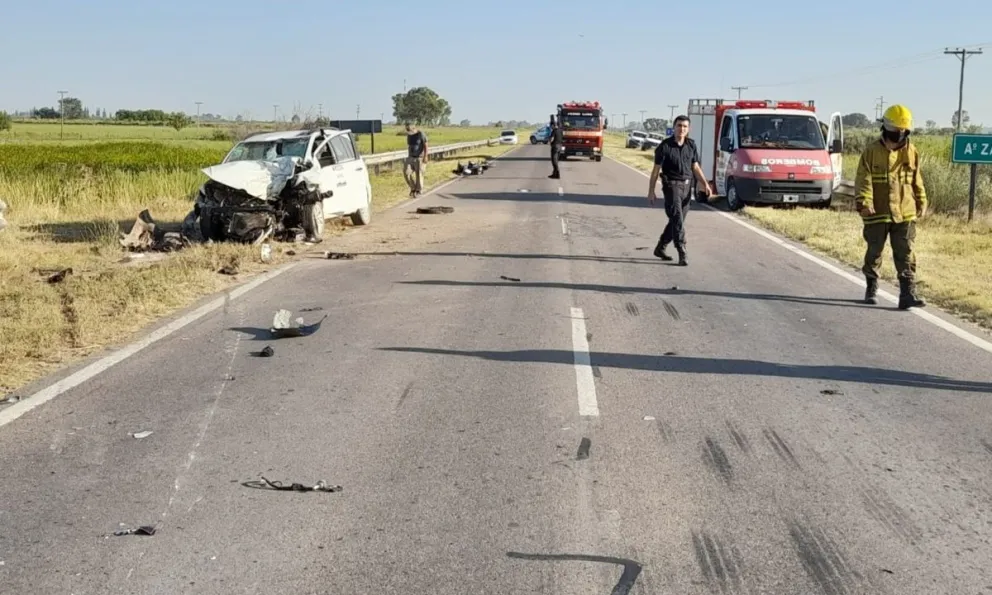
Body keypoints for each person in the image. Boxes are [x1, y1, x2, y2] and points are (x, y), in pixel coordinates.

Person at [854, 104, 927, 310]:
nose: (900, 134)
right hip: (878, 211)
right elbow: (864, 179)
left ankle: (907, 294)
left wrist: (922, 200)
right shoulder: (871, 152)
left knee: (906, 252)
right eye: (896, 130)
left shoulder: (911, 151)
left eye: (904, 131)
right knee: (874, 251)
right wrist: (865, 202)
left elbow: (916, 179)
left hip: (905, 212)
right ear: (886, 128)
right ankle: (871, 286)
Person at [647, 115, 713, 266]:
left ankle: (661, 247)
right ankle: (682, 250)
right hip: (672, 186)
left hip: (687, 187)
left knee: (678, 220)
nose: (681, 129)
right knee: (677, 218)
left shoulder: (691, 145)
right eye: (679, 126)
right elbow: (656, 170)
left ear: (688, 129)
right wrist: (651, 190)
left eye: (684, 126)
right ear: (674, 127)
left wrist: (705, 184)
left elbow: (695, 166)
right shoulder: (665, 146)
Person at [404, 123, 429, 197]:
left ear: (414, 128)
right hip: (410, 157)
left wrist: (425, 156)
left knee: (419, 174)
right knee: (406, 172)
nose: (408, 132)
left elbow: (426, 145)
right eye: (407, 130)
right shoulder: (409, 135)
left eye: (409, 130)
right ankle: (413, 188)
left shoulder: (421, 134)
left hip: (419, 157)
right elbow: (409, 146)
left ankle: (418, 190)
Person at [548, 115, 562, 179]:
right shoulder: (560, 130)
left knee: (554, 161)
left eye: (551, 126)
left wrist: (550, 141)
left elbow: (551, 139)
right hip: (560, 146)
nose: (551, 127)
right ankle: (554, 174)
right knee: (556, 160)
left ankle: (557, 174)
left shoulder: (554, 131)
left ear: (553, 125)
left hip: (555, 146)